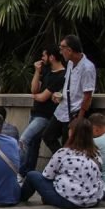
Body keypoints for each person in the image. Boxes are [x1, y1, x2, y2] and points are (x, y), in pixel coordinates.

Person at [20, 118, 105, 209]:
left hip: (67, 201)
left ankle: (20, 198)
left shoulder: (63, 152)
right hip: (93, 200)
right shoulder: (96, 153)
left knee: (32, 175)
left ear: (71, 133)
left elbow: (47, 175)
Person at [22, 47, 67, 175]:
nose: (42, 58)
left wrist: (37, 96)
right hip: (35, 112)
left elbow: (42, 97)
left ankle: (19, 170)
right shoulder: (47, 71)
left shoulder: (61, 75)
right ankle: (28, 172)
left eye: (44, 55)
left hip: (45, 116)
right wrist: (37, 71)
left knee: (24, 139)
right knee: (33, 143)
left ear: (51, 57)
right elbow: (34, 90)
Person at [53, 35, 96, 146]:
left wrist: (79, 119)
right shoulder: (70, 63)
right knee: (48, 135)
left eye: (62, 48)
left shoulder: (87, 68)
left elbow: (88, 95)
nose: (60, 51)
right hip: (63, 108)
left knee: (67, 143)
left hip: (75, 112)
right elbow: (69, 84)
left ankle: (63, 159)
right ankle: (59, 158)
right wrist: (60, 94)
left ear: (70, 50)